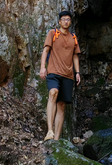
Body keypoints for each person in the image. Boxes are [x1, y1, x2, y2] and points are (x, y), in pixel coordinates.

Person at [40, 11, 81, 141]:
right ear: (59, 22)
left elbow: (75, 56)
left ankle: (56, 139)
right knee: (53, 92)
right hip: (53, 71)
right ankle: (50, 131)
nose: (66, 21)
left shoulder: (73, 38)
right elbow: (46, 50)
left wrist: (77, 72)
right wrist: (42, 68)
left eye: (68, 19)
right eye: (63, 19)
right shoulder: (53, 34)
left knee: (62, 105)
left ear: (70, 22)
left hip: (68, 75)